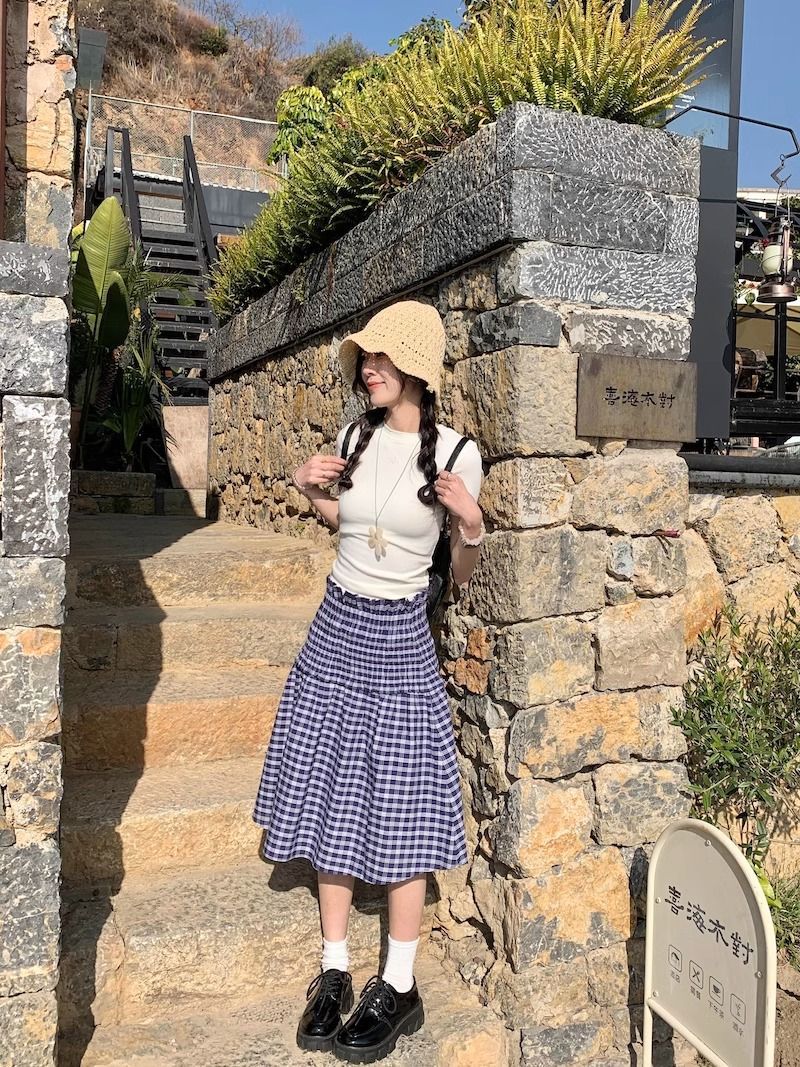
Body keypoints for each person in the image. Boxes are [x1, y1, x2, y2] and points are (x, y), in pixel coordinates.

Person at [251, 299, 485, 1063]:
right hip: (335, 628)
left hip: (399, 639)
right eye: (365, 359)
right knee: (330, 789)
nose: (368, 369)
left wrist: (472, 527)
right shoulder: (354, 435)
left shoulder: (456, 453)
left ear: (416, 366)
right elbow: (348, 527)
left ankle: (403, 981)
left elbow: (459, 572)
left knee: (403, 796)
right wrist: (308, 487)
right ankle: (333, 968)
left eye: (382, 358)